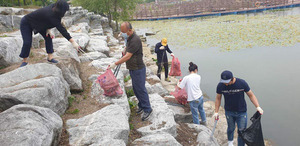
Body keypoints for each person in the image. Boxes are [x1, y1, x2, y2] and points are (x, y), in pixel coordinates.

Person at [109, 22, 152, 121]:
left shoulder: (135, 40)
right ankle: (141, 104)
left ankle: (148, 108)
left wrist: (115, 64)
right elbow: (127, 49)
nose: (122, 33)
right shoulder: (129, 38)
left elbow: (128, 56)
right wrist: (125, 48)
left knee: (140, 89)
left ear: (129, 30)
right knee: (136, 89)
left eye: (124, 32)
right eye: (122, 31)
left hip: (138, 68)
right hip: (132, 68)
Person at [19, 0, 80, 67]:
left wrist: (48, 28)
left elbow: (47, 20)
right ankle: (24, 61)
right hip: (26, 23)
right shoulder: (50, 14)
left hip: (40, 23)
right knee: (27, 42)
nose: (65, 12)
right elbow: (62, 30)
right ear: (61, 10)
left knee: (48, 37)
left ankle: (50, 57)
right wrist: (73, 42)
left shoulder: (55, 6)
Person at [213, 70, 264, 146]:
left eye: (227, 81)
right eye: (224, 81)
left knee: (241, 132)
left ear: (232, 78)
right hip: (229, 111)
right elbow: (218, 98)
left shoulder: (242, 83)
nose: (225, 83)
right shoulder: (221, 86)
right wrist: (216, 112)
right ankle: (230, 142)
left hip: (241, 112)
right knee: (230, 128)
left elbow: (251, 95)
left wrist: (258, 107)